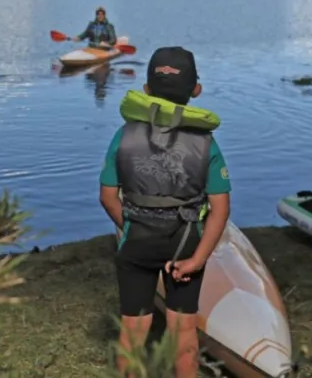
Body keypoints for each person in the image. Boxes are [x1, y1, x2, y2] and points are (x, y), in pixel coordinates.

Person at [98, 46, 231, 378]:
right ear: (195, 90)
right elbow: (220, 209)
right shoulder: (206, 144)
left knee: (132, 331)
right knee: (183, 330)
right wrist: (198, 258)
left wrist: (130, 225)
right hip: (185, 241)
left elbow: (107, 196)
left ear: (146, 89)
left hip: (138, 240)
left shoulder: (123, 136)